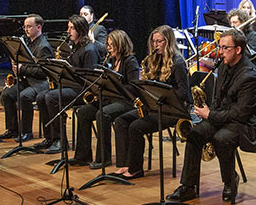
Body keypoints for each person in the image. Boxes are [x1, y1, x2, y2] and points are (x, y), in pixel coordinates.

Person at [168, 28, 256, 204]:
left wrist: (210, 114)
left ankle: (229, 181)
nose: (220, 52)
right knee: (194, 134)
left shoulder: (249, 76)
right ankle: (188, 186)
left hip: (246, 124)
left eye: (225, 48)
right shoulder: (225, 67)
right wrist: (207, 111)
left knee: (221, 139)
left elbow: (240, 114)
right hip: (225, 117)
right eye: (220, 47)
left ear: (238, 50)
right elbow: (220, 101)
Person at [112, 25, 189, 179]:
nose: (156, 45)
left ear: (168, 42)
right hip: (155, 107)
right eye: (154, 42)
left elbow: (184, 93)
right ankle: (124, 163)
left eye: (159, 41)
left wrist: (162, 95)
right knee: (120, 120)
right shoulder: (155, 60)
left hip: (172, 110)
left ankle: (135, 169)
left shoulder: (178, 63)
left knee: (136, 127)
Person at [32, 15, 103, 154]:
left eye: (72, 28)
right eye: (68, 27)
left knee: (51, 97)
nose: (68, 31)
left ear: (80, 30)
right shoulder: (76, 47)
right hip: (71, 86)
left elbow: (89, 80)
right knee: (41, 97)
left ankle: (61, 141)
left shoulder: (89, 50)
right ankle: (50, 137)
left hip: (82, 91)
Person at [71, 29, 139, 168]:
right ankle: (82, 156)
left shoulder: (130, 61)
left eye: (111, 45)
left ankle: (103, 158)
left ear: (120, 45)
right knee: (83, 112)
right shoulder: (113, 60)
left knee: (103, 114)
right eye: (108, 45)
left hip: (126, 101)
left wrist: (114, 84)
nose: (108, 48)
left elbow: (133, 88)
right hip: (112, 99)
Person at [0, 14, 52, 141]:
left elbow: (43, 72)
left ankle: (27, 132)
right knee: (7, 94)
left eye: (29, 27)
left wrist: (22, 69)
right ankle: (12, 129)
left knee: (24, 96)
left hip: (40, 83)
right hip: (28, 81)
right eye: (25, 27)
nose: (26, 29)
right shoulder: (27, 42)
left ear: (38, 27)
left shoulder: (43, 46)